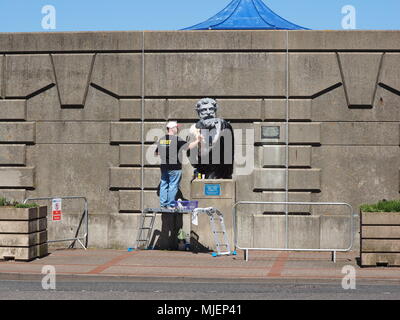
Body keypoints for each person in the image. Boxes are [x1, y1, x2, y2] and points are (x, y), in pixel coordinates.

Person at [155, 121, 203, 209]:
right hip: (175, 167)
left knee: (164, 184)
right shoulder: (176, 139)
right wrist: (197, 141)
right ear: (172, 128)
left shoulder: (162, 139)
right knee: (173, 185)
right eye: (176, 127)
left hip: (164, 167)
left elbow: (157, 153)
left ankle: (163, 204)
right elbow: (188, 146)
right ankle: (171, 204)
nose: (177, 129)